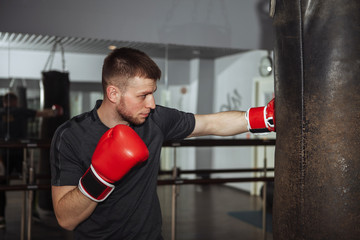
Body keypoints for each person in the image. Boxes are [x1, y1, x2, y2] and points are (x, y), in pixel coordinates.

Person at [50, 47, 275, 240]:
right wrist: (100, 177)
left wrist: (264, 117)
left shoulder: (154, 120)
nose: (152, 103)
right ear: (113, 93)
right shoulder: (71, 136)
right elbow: (65, 219)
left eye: (153, 93)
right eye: (143, 95)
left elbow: (210, 123)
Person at [0, 92, 63, 229]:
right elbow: (43, 114)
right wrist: (55, 111)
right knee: (31, 180)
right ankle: (33, 212)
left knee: (1, 185)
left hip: (3, 155)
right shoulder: (21, 111)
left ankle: (1, 217)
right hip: (20, 153)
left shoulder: (1, 112)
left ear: (4, 102)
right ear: (15, 102)